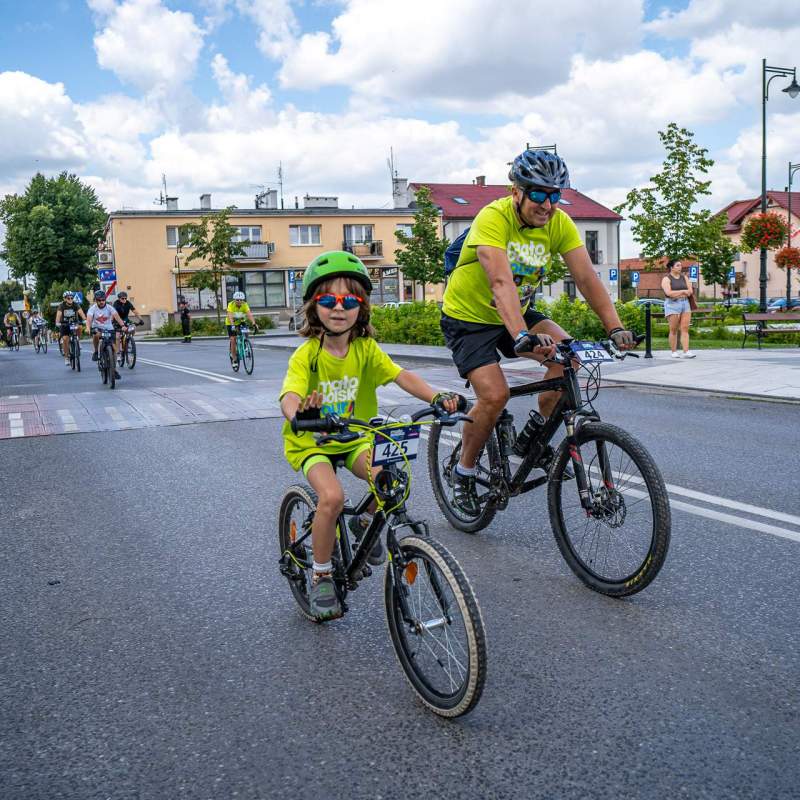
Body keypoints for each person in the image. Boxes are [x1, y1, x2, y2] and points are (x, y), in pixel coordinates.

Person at [440, 148, 635, 516]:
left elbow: (586, 278)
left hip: (518, 312)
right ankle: (463, 472)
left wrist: (616, 327)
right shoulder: (493, 217)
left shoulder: (559, 223)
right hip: (470, 318)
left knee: (569, 357)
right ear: (517, 191)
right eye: (539, 194)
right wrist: (520, 336)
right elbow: (500, 282)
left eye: (555, 195)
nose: (547, 204)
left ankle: (533, 437)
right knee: (494, 396)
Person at [279, 251, 461, 621]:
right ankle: (322, 576)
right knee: (332, 497)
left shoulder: (365, 349)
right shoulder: (307, 355)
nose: (339, 307)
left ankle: (363, 522)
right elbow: (290, 396)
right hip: (312, 441)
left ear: (362, 308)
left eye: (350, 300)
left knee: (391, 480)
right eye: (329, 299)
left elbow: (401, 375)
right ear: (314, 306)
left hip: (355, 437)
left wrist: (437, 397)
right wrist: (300, 416)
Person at [661, 259, 696, 359]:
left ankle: (686, 351)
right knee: (673, 329)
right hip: (672, 304)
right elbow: (669, 293)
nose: (680, 267)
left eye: (680, 265)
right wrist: (683, 291)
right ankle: (674, 352)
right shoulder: (666, 279)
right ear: (671, 267)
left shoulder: (684, 277)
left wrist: (680, 293)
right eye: (677, 265)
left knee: (685, 328)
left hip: (685, 303)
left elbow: (690, 291)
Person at [86, 290, 124, 379]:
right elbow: (89, 319)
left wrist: (123, 326)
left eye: (103, 300)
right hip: (97, 328)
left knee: (114, 349)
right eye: (99, 300)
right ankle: (96, 351)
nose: (101, 302)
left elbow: (117, 317)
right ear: (96, 300)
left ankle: (114, 369)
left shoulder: (110, 307)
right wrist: (88, 328)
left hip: (109, 329)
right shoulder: (92, 308)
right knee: (96, 335)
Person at [55, 291, 88, 366]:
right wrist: (57, 322)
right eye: (68, 298)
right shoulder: (61, 306)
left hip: (74, 322)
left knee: (80, 327)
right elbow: (58, 315)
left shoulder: (75, 304)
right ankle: (66, 358)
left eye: (71, 298)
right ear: (64, 299)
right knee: (65, 339)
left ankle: (78, 340)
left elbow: (81, 312)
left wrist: (85, 319)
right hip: (64, 324)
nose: (70, 299)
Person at [225, 291, 256, 365]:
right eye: (237, 300)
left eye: (241, 300)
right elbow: (230, 315)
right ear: (234, 300)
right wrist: (232, 325)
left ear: (243, 300)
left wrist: (254, 323)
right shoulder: (231, 304)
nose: (239, 301)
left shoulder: (245, 305)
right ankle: (234, 358)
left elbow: (249, 314)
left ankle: (245, 344)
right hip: (230, 323)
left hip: (241, 322)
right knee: (233, 339)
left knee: (246, 331)